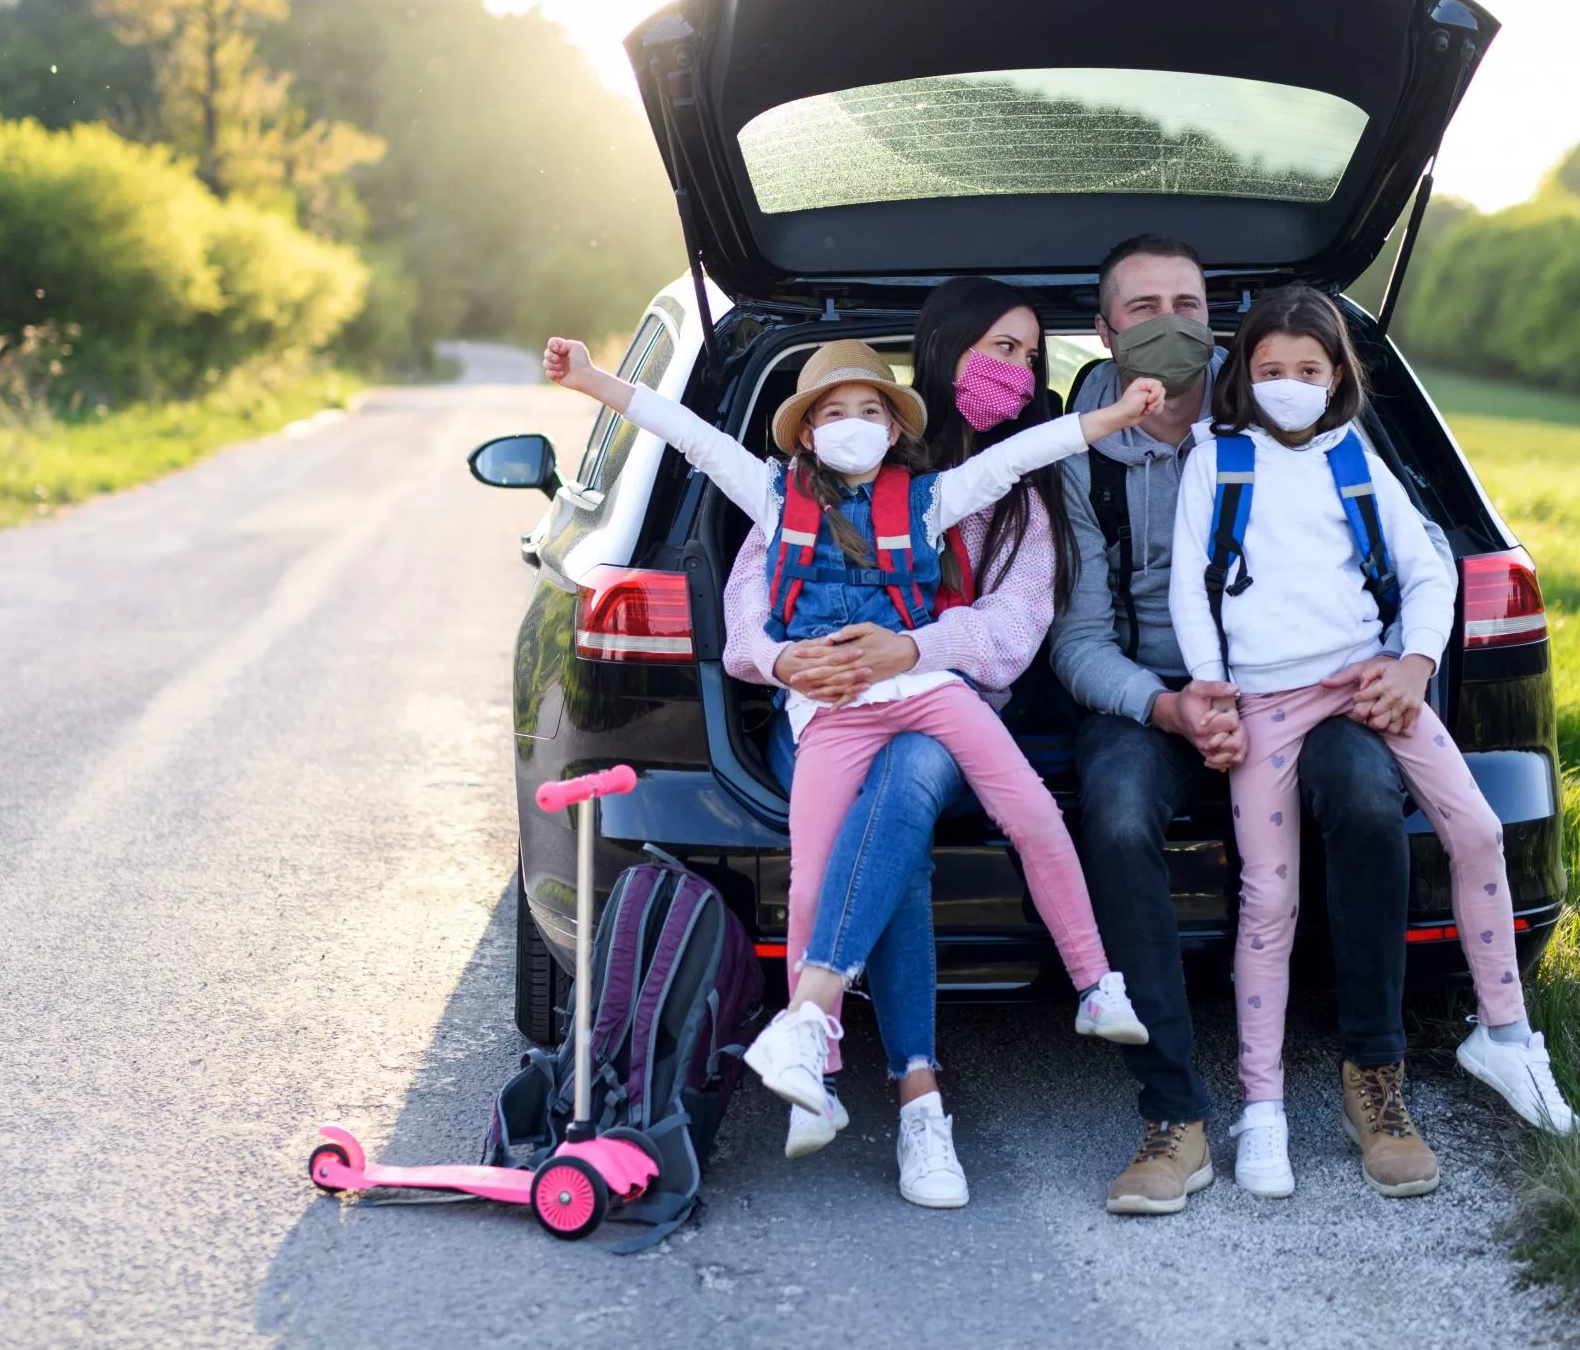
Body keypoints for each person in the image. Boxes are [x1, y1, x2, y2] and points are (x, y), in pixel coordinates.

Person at [539, 331, 1162, 1130]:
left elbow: (1015, 459)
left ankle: (1094, 982)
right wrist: (594, 380)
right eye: (835, 412)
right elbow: (689, 432)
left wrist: (1110, 416)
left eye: (872, 409)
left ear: (896, 428)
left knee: (1034, 811)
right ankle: (815, 1066)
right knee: (811, 878)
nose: (855, 423)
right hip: (832, 716)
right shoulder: (770, 497)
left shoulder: (932, 499)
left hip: (927, 691)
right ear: (806, 433)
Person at [1052, 234, 1447, 1213]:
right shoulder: (1083, 448)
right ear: (1102, 332)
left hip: (1308, 686)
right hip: (1156, 695)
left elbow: (1413, 542)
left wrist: (1404, 661)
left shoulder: (1289, 389)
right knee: (1112, 808)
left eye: (1187, 302)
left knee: (1361, 792)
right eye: (1141, 307)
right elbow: (1078, 635)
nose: (1170, 322)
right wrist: (1169, 705)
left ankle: (1375, 1079)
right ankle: (1173, 1117)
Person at [1169, 284, 1578, 1197]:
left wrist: (1416, 665)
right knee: (1269, 900)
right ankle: (1262, 1108)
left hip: (1368, 684)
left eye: (1307, 370)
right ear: (1243, 375)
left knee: (1477, 831)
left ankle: (1505, 1035)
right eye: (1269, 369)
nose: (1287, 384)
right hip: (1268, 703)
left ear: (1336, 376)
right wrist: (1211, 686)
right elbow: (1191, 591)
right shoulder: (1217, 461)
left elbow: (1430, 570)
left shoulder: (1355, 456)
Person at [719, 277, 1082, 1208]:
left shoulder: (1013, 499)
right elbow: (754, 591)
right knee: (898, 834)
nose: (1019, 370)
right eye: (1000, 347)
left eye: (1031, 357)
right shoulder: (825, 488)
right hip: (828, 708)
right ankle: (918, 1095)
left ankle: (823, 1032)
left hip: (944, 712)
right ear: (945, 353)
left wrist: (913, 646)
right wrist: (782, 659)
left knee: (912, 773)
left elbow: (1013, 630)